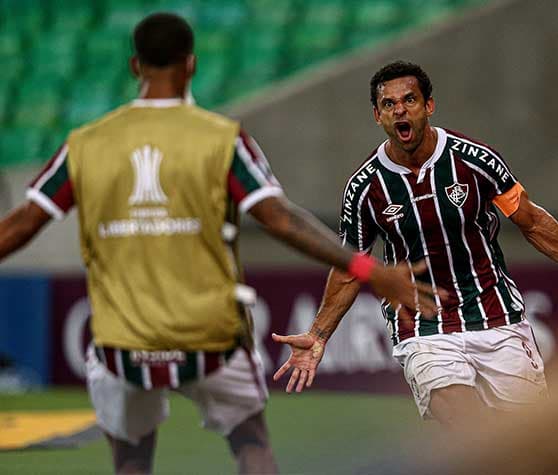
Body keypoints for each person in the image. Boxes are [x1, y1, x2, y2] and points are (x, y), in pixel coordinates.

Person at [0, 14, 436, 475]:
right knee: (251, 444)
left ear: (134, 66)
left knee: (130, 458)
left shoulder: (86, 144)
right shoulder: (222, 139)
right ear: (190, 66)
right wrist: (371, 269)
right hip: (210, 338)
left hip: (122, 342)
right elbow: (280, 219)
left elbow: (24, 222)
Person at [271, 60, 558, 428]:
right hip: (423, 327)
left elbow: (529, 220)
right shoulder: (364, 188)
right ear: (377, 116)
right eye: (389, 104)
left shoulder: (474, 160)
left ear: (428, 106)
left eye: (410, 100)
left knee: (533, 440)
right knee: (465, 419)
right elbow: (350, 267)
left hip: (496, 315)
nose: (400, 110)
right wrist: (318, 334)